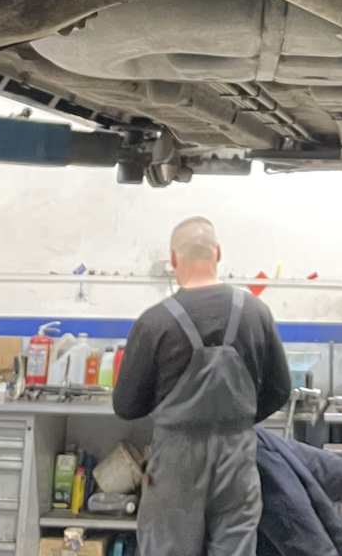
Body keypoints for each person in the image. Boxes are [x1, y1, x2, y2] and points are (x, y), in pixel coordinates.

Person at [114, 216, 293, 556]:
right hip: (237, 455)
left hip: (176, 459)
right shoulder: (256, 313)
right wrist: (234, 422)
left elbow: (126, 405)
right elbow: (280, 390)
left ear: (173, 258)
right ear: (218, 253)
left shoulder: (155, 321)